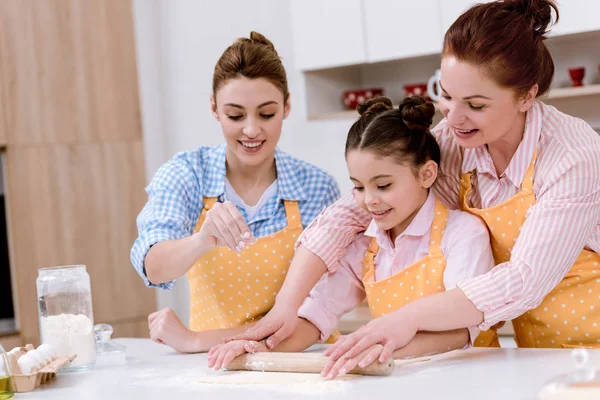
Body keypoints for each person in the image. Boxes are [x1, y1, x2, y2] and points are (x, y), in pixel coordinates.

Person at [235, 0, 600, 361]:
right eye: (446, 95)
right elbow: (349, 214)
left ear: (527, 96)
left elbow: (525, 280)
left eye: (475, 105)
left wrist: (402, 322)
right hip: (541, 354)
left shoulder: (571, 156)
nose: (454, 118)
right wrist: (285, 307)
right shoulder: (457, 144)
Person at [208, 96, 495, 376]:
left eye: (383, 185)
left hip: (470, 379)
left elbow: (460, 332)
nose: (369, 200)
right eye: (358, 187)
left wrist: (377, 350)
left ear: (426, 174)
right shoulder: (365, 245)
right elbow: (316, 314)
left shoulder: (462, 234)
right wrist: (259, 348)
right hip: (397, 381)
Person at [130, 31, 340, 353]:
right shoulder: (188, 175)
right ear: (215, 109)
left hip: (298, 360)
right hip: (214, 369)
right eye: (235, 115)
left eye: (266, 114)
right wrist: (201, 241)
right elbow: (153, 265)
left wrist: (196, 340)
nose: (252, 130)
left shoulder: (317, 188)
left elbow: (316, 311)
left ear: (286, 107)